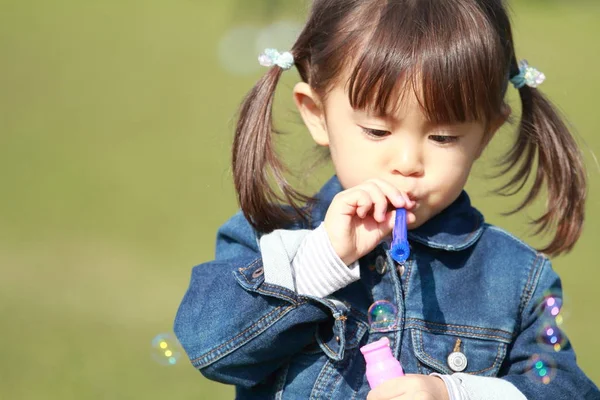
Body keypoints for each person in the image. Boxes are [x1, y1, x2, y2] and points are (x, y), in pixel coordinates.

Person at [174, 0, 600, 398]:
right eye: (377, 131)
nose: (407, 162)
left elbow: (566, 387)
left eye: (444, 137)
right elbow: (210, 347)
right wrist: (319, 261)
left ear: (487, 133)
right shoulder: (271, 240)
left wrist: (454, 392)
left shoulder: (514, 277)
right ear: (316, 114)